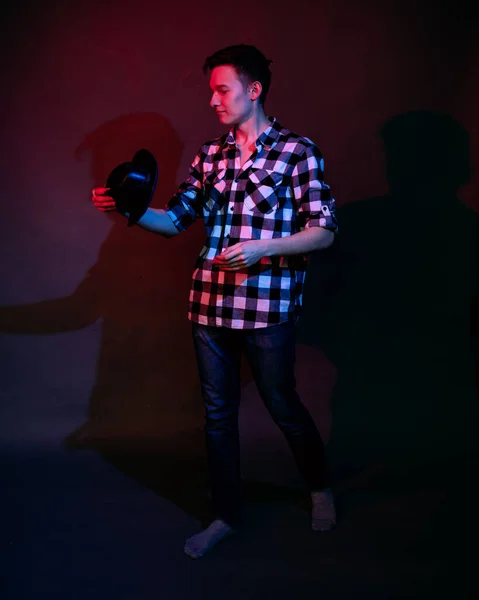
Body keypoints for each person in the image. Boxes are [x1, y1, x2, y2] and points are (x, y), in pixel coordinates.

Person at [92, 44, 338, 559]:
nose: (213, 101)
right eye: (211, 91)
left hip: (268, 308)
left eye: (222, 90)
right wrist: (130, 209)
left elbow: (324, 232)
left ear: (253, 91)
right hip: (209, 307)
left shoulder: (298, 152)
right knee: (218, 417)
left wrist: (264, 248)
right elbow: (175, 221)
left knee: (284, 406)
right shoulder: (211, 156)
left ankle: (320, 489)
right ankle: (225, 516)